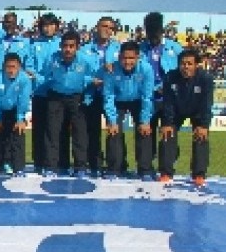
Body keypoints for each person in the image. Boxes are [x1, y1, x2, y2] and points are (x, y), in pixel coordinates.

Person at [41, 30, 96, 177]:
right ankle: (51, 167)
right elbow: (45, 75)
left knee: (80, 133)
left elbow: (93, 79)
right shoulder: (52, 59)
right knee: (53, 132)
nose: (68, 49)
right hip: (56, 97)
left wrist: (87, 98)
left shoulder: (85, 61)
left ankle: (80, 167)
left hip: (76, 97)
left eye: (72, 46)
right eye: (65, 46)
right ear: (60, 46)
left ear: (77, 47)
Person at [160, 49, 213, 187]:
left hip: (197, 111)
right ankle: (166, 172)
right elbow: (168, 102)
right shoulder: (170, 77)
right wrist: (167, 122)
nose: (186, 67)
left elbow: (206, 104)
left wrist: (204, 125)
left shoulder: (205, 79)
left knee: (201, 136)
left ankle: (199, 174)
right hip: (176, 110)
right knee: (167, 133)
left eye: (190, 63)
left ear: (196, 65)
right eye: (183, 64)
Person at [102, 41, 154, 179]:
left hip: (138, 100)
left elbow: (147, 96)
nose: (127, 62)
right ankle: (115, 168)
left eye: (131, 58)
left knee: (144, 131)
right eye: (124, 58)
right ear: (119, 57)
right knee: (114, 131)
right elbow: (108, 96)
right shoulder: (112, 70)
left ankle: (145, 169)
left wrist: (145, 120)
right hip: (118, 101)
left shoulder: (146, 69)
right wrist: (112, 121)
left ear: (138, 57)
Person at [139, 12, 182, 166]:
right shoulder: (141, 49)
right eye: (149, 32)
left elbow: (182, 72)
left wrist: (170, 87)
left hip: (169, 99)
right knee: (145, 134)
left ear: (161, 30)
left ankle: (167, 167)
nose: (152, 35)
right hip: (147, 99)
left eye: (155, 31)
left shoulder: (175, 48)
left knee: (168, 133)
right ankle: (145, 167)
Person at [80, 16, 121, 176]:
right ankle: (94, 164)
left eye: (110, 27)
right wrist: (92, 80)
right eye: (104, 26)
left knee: (114, 131)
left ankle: (115, 167)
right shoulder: (84, 50)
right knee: (91, 133)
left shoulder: (119, 49)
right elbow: (78, 74)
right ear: (97, 27)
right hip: (91, 95)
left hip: (112, 96)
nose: (107, 30)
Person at [0, 52, 32, 177]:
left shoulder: (24, 79)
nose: (11, 70)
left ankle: (18, 167)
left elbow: (23, 100)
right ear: (3, 67)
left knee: (18, 132)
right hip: (0, 109)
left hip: (16, 110)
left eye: (14, 67)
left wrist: (20, 119)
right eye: (8, 67)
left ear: (19, 67)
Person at [29, 13, 61, 173]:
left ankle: (57, 163)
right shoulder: (34, 45)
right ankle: (39, 162)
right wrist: (40, 79)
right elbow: (29, 67)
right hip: (39, 92)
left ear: (56, 26)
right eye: (45, 25)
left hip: (57, 92)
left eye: (51, 25)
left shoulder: (61, 44)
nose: (48, 28)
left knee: (55, 129)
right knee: (39, 128)